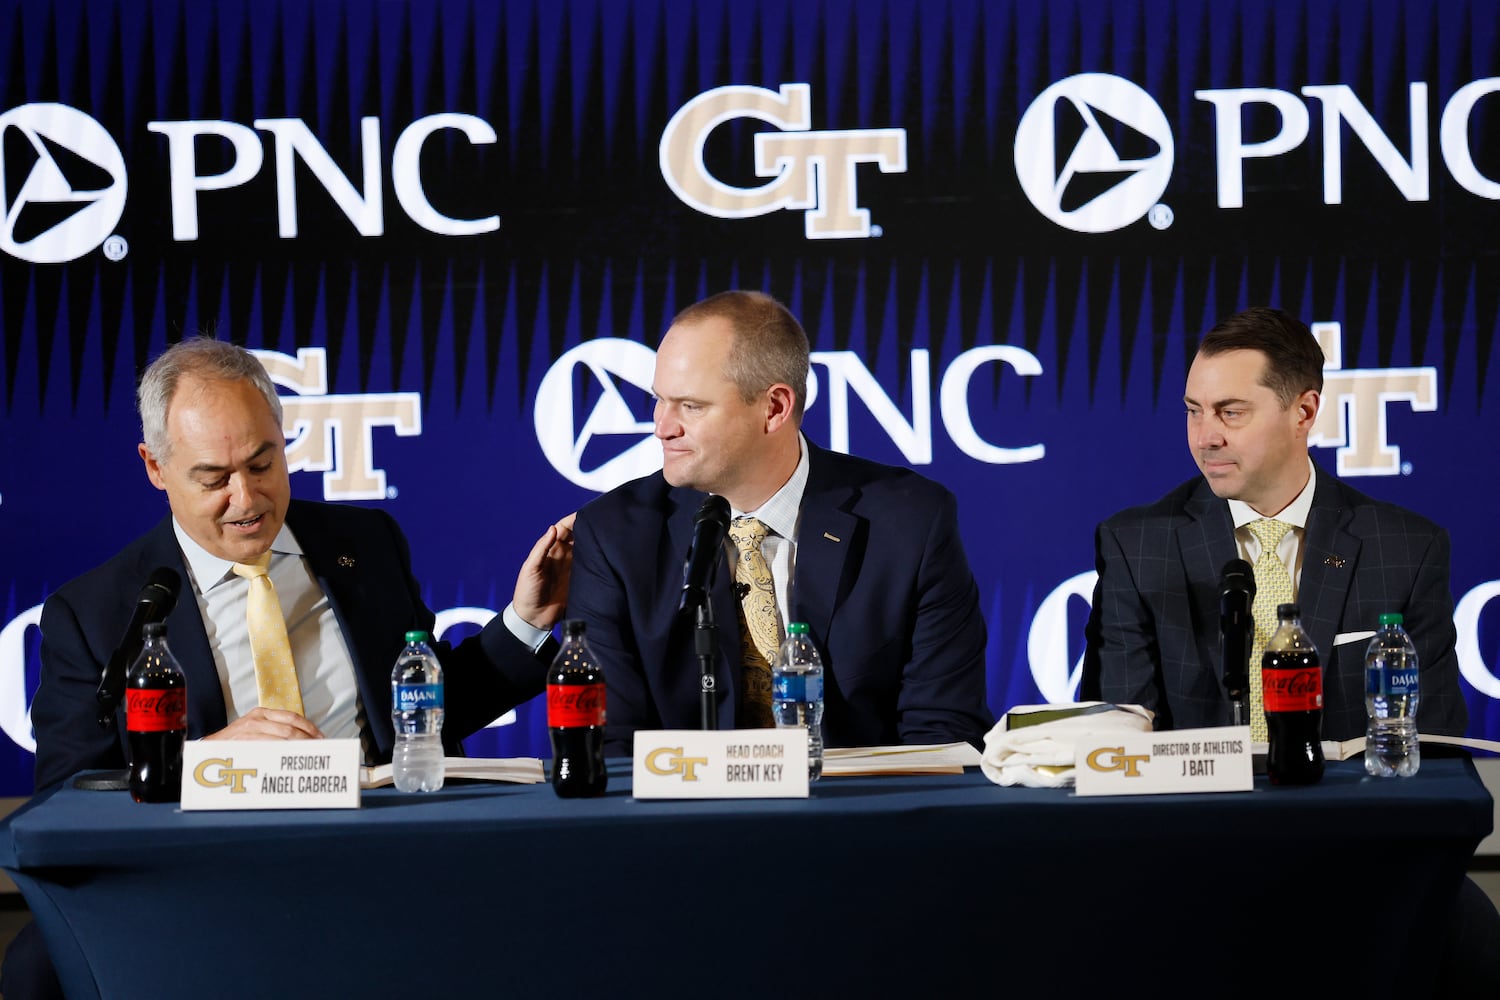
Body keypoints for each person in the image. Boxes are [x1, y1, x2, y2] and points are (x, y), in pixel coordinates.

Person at [4, 337, 574, 998]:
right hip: (201, 869)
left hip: (380, 848)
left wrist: (525, 622)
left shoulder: (366, 544)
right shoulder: (97, 610)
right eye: (214, 478)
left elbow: (426, 709)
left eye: (263, 462)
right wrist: (207, 760)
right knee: (37, 968)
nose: (247, 498)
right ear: (155, 467)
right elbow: (66, 793)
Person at [1081, 305, 1498, 997]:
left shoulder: (1406, 547)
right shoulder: (1137, 543)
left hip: (1360, 856)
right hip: (1191, 858)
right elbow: (1119, 739)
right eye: (1193, 410)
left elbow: (1433, 748)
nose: (1204, 437)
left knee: (1471, 948)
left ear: (1305, 410)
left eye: (1230, 412)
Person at [567, 289, 993, 758]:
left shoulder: (910, 522)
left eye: (691, 406)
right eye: (659, 400)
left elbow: (943, 733)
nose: (662, 427)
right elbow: (612, 747)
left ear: (774, 408)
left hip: (864, 818)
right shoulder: (615, 536)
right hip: (684, 825)